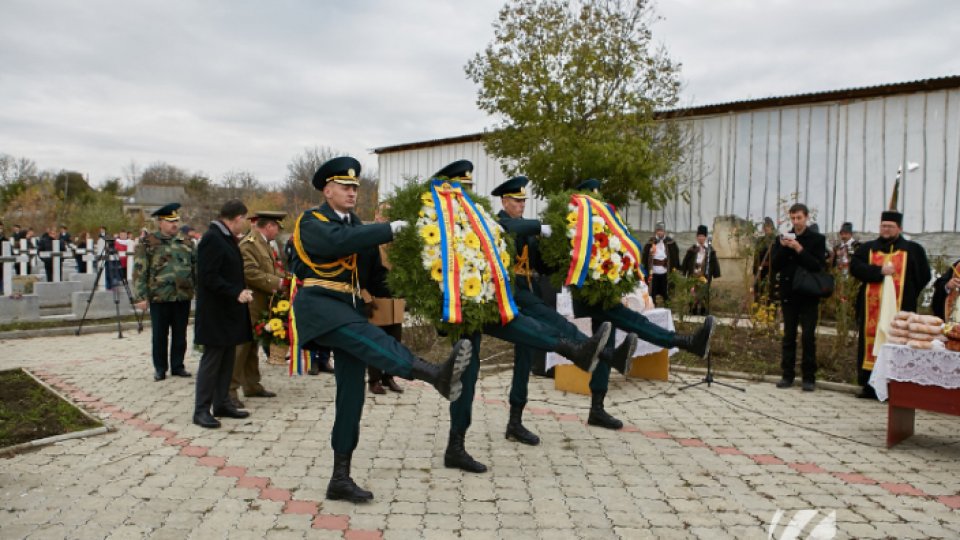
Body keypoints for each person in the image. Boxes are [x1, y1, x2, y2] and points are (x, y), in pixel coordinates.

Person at [289, 156, 473, 503]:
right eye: (345, 186)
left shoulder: (357, 226)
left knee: (351, 397)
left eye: (355, 187)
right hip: (319, 307)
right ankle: (435, 374)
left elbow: (376, 277)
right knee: (370, 338)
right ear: (327, 190)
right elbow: (336, 243)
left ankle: (339, 477)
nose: (352, 192)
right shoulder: (312, 221)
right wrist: (391, 227)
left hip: (346, 307)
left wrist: (425, 290)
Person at [493, 174, 639, 447]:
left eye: (523, 201)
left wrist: (564, 249)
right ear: (504, 201)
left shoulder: (525, 228)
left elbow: (542, 264)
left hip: (528, 294)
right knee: (553, 331)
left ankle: (515, 422)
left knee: (527, 357)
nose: (521, 205)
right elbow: (512, 228)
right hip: (509, 297)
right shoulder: (499, 222)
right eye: (516, 201)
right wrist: (539, 228)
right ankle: (608, 355)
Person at [570, 178, 718, 429]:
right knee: (633, 322)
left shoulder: (606, 228)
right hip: (587, 297)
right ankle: (685, 342)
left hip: (606, 294)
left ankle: (597, 408)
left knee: (607, 345)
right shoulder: (574, 226)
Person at [850, 199, 931, 399]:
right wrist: (879, 271)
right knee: (871, 341)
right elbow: (855, 268)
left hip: (901, 307)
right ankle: (870, 385)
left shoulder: (913, 250)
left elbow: (924, 275)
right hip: (871, 307)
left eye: (890, 226)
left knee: (899, 343)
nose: (885, 229)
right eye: (883, 226)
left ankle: (896, 387)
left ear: (899, 228)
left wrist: (908, 292)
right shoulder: (868, 249)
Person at [193, 199, 255, 428]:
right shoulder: (212, 239)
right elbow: (208, 277)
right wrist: (235, 292)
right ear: (237, 218)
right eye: (245, 219)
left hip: (229, 312)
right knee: (212, 361)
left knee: (228, 359)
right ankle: (201, 410)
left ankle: (221, 403)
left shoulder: (226, 238)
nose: (245, 223)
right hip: (215, 313)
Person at [229, 210, 287, 408]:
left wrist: (285, 279)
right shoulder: (250, 244)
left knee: (252, 345)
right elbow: (249, 273)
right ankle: (229, 390)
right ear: (269, 226)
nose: (278, 232)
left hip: (261, 302)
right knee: (241, 348)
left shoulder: (263, 243)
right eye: (277, 227)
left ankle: (252, 385)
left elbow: (270, 269)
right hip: (250, 303)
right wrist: (278, 283)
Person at [133, 203, 197, 381]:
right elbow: (140, 271)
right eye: (170, 221)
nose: (174, 224)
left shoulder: (187, 242)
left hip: (182, 296)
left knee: (180, 334)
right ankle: (160, 368)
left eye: (176, 221)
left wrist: (200, 292)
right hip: (159, 296)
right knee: (160, 335)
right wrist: (140, 296)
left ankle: (178, 365)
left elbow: (195, 268)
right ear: (160, 222)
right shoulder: (148, 243)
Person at [771, 203, 827, 392]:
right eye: (793, 218)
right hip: (789, 294)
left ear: (806, 217)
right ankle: (787, 375)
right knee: (789, 335)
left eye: (799, 218)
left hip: (809, 294)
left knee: (808, 337)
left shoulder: (817, 239)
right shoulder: (784, 238)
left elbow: (817, 265)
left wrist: (798, 248)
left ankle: (808, 377)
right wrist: (784, 247)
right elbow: (775, 265)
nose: (796, 222)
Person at [365, 201, 404, 395]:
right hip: (375, 300)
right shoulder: (368, 241)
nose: (387, 218)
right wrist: (364, 297)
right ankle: (374, 379)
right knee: (376, 342)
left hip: (395, 300)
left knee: (394, 342)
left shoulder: (398, 242)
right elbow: (359, 273)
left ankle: (389, 376)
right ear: (376, 216)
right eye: (384, 214)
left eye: (391, 215)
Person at [681, 225, 721, 315]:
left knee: (704, 293)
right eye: (699, 236)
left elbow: (714, 261)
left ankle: (703, 311)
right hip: (693, 274)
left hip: (705, 275)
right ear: (697, 237)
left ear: (705, 237)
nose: (701, 238)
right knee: (692, 292)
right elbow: (685, 261)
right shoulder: (692, 249)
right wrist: (683, 272)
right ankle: (692, 310)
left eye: (703, 236)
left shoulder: (710, 250)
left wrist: (716, 273)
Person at [641, 221, 680, 306]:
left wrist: (676, 268)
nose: (660, 232)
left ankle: (667, 308)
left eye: (661, 230)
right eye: (658, 230)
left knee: (666, 293)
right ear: (655, 231)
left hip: (665, 272)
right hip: (653, 272)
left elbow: (675, 256)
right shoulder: (650, 243)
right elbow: (644, 257)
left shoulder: (670, 242)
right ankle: (652, 307)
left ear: (664, 231)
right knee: (652, 293)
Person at [752, 217, 777, 303]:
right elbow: (756, 255)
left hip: (771, 270)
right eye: (765, 226)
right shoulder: (760, 240)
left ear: (772, 227)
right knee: (759, 290)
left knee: (770, 291)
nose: (766, 228)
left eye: (768, 226)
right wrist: (755, 270)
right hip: (760, 269)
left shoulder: (776, 240)